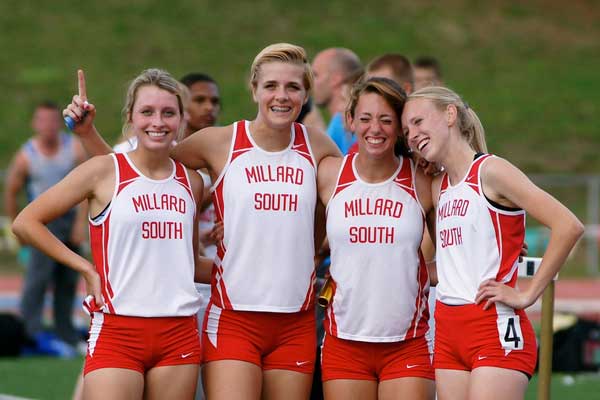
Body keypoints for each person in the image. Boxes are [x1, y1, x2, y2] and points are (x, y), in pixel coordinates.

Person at [66, 43, 341, 400]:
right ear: (254, 88)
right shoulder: (219, 142)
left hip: (296, 319)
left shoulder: (319, 146)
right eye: (271, 85)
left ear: (306, 94)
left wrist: (315, 249)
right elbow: (137, 174)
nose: (282, 96)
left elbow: (342, 203)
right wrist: (88, 133)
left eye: (293, 87)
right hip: (234, 318)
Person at [13, 68, 207, 399]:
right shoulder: (103, 170)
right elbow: (26, 222)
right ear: (130, 117)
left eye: (168, 113)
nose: (157, 121)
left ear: (181, 119)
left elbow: (189, 262)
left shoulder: (192, 181)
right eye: (147, 112)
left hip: (179, 334)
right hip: (118, 330)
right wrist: (85, 268)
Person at [401, 86, 584, 400]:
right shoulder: (438, 186)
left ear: (449, 114)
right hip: (448, 332)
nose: (412, 135)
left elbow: (568, 225)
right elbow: (446, 267)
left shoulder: (491, 171)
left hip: (493, 327)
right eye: (406, 130)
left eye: (418, 122)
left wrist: (527, 293)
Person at [317, 77, 435, 400]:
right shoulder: (329, 175)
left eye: (386, 120)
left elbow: (456, 238)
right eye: (366, 118)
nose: (375, 129)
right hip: (344, 342)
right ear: (350, 121)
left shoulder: (422, 179)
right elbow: (300, 236)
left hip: (407, 343)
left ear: (400, 126)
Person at [4, 101, 87, 351]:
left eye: (53, 120)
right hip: (42, 221)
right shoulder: (26, 156)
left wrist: (80, 224)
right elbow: (11, 192)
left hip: (69, 219)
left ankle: (66, 333)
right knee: (37, 280)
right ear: (35, 124)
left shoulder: (72, 148)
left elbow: (87, 187)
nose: (49, 126)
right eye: (43, 121)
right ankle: (30, 333)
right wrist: (17, 227)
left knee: (69, 278)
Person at [312, 48, 363, 154]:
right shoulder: (343, 122)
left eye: (315, 75)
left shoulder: (341, 123)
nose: (310, 82)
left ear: (336, 79)